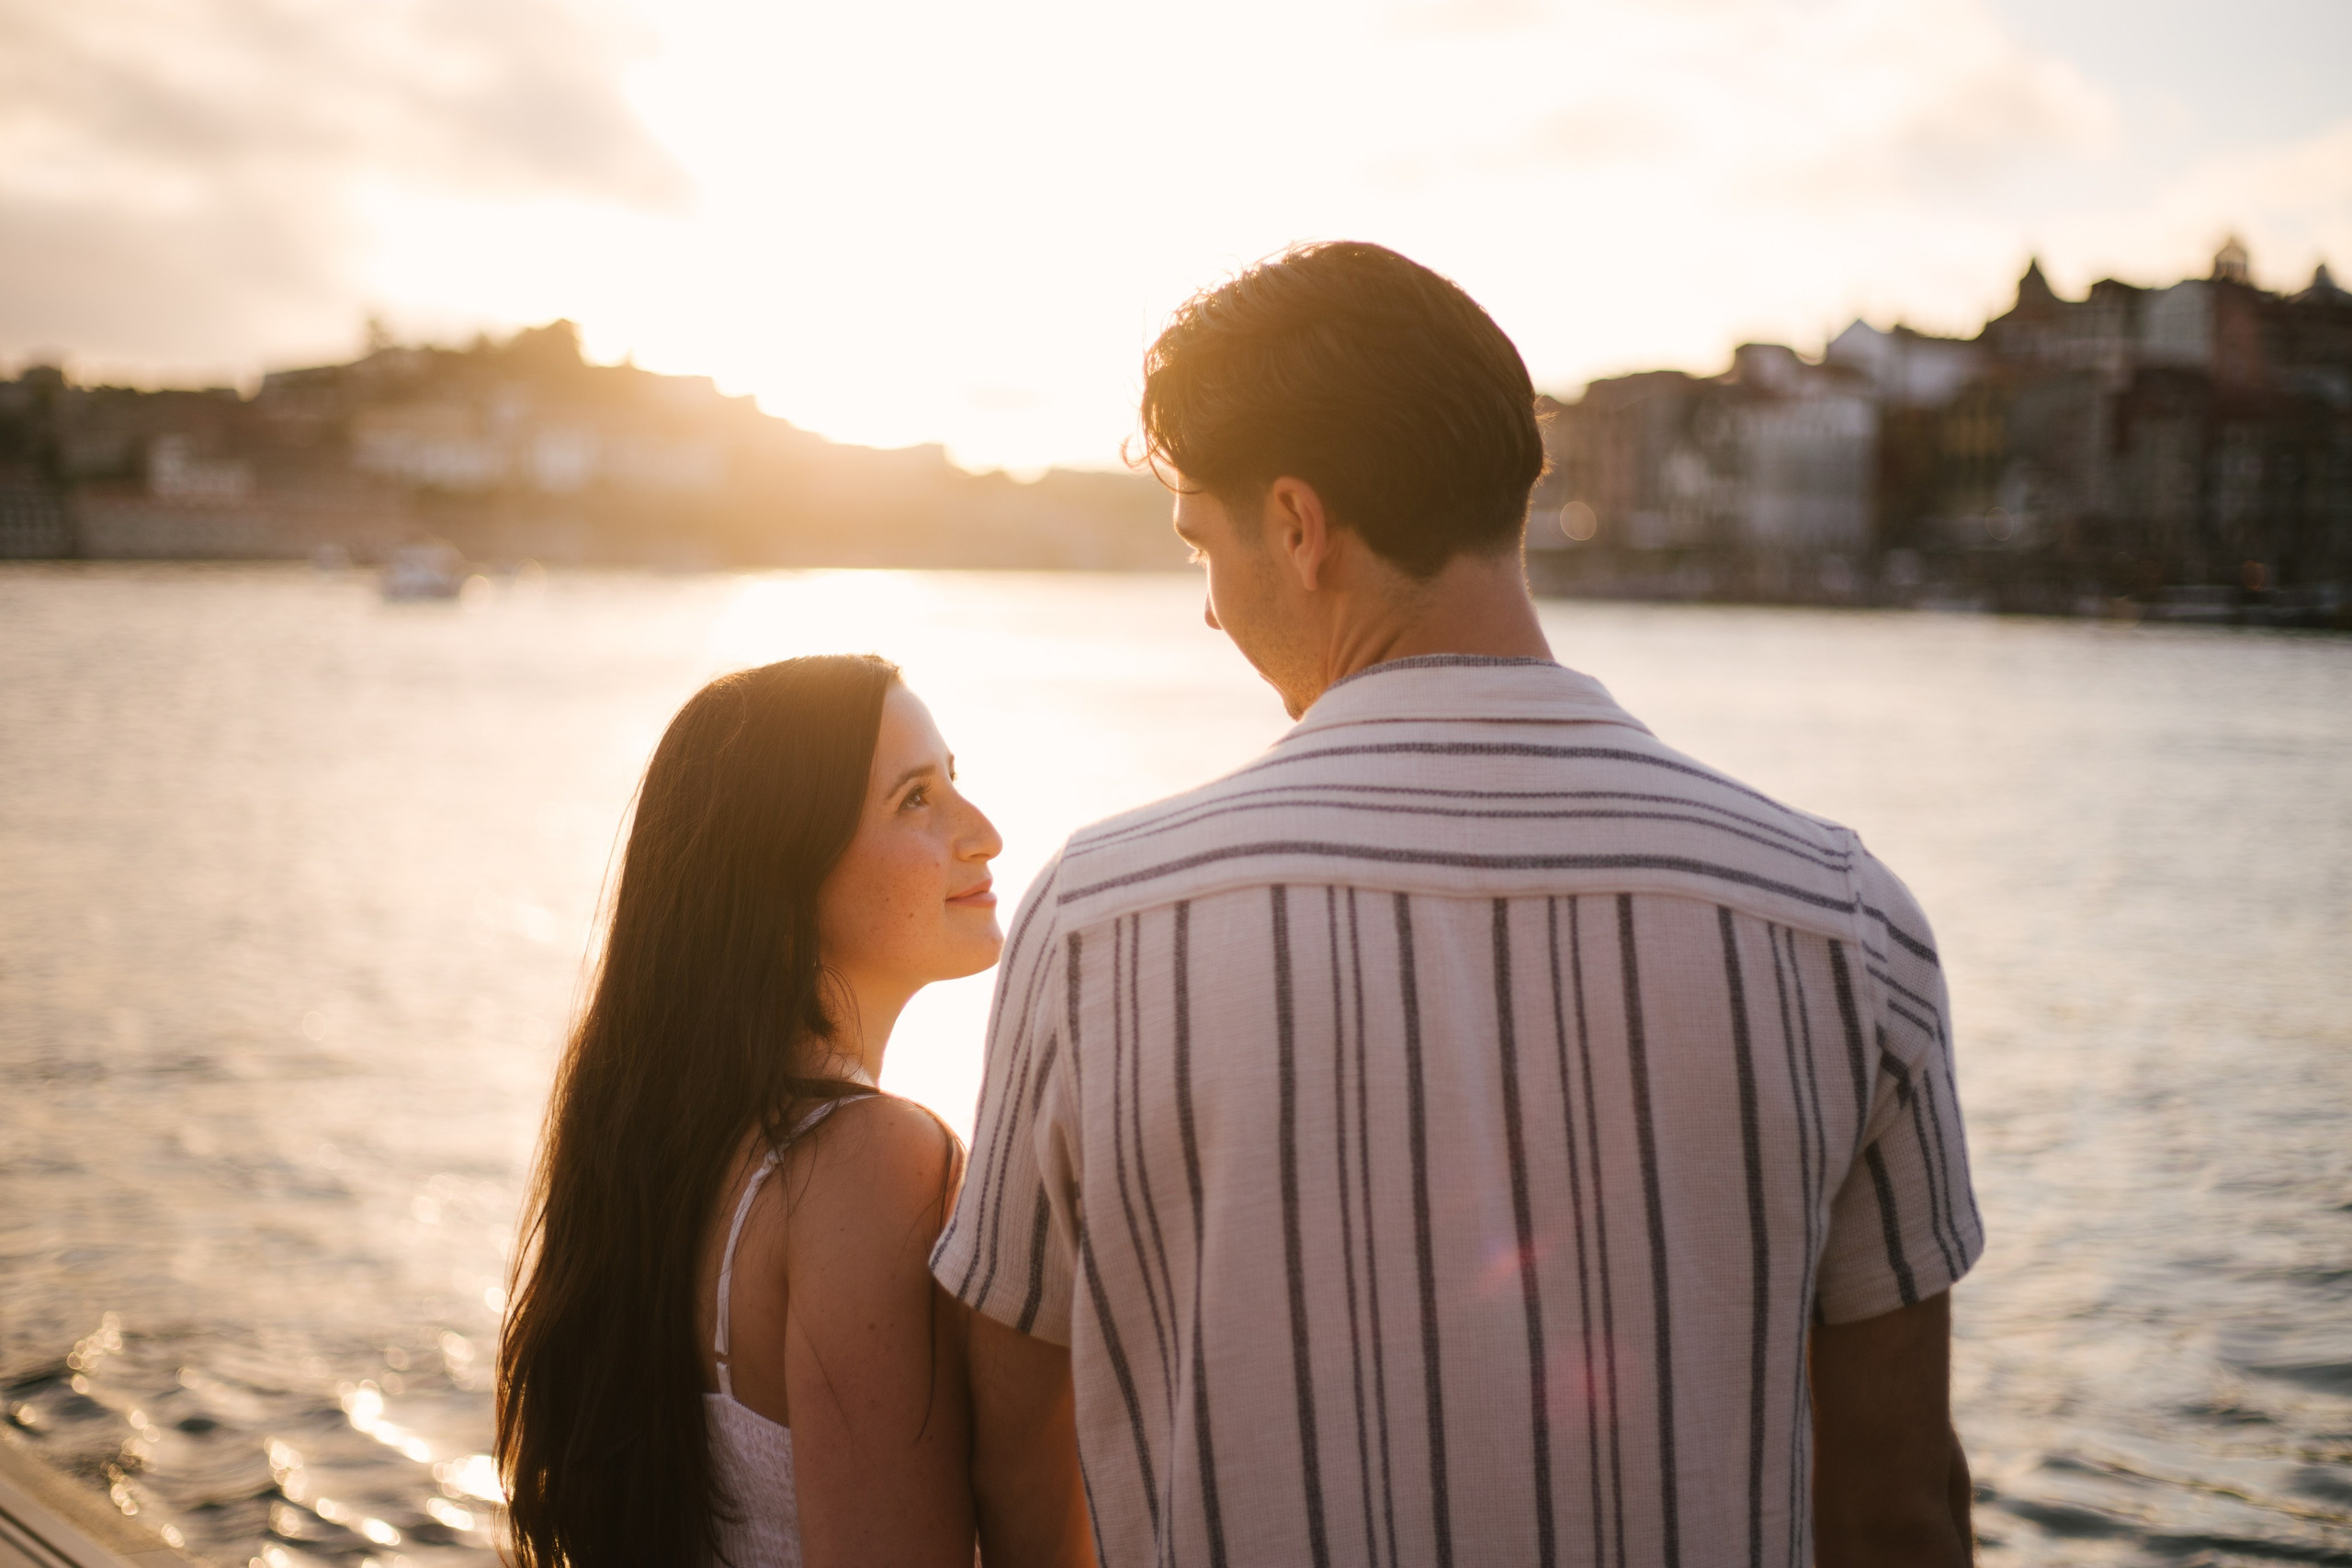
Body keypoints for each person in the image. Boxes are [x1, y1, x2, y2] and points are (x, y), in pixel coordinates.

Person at [936, 243, 1984, 1568]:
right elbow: (1896, 1512)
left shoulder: (1101, 925)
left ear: (1298, 526)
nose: (1206, 611)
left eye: (1202, 542)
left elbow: (1016, 1463)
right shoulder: (1842, 926)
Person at [496, 655, 1004, 1568]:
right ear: (784, 877)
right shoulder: (873, 1161)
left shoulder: (675, 1156)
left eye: (952, 782)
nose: (984, 834)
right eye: (916, 800)